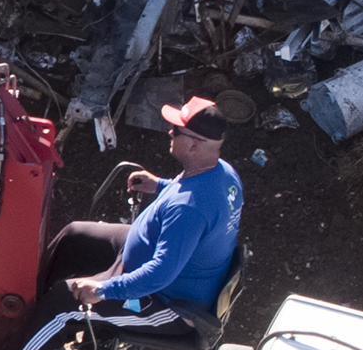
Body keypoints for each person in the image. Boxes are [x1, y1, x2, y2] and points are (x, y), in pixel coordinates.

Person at [46, 95, 242, 319]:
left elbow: (159, 274)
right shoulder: (223, 173)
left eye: (176, 130)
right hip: (145, 258)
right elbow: (196, 201)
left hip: (166, 301)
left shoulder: (189, 209)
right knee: (74, 236)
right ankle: (30, 298)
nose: (170, 132)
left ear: (194, 145)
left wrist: (102, 290)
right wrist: (160, 185)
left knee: (59, 304)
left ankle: (13, 349)